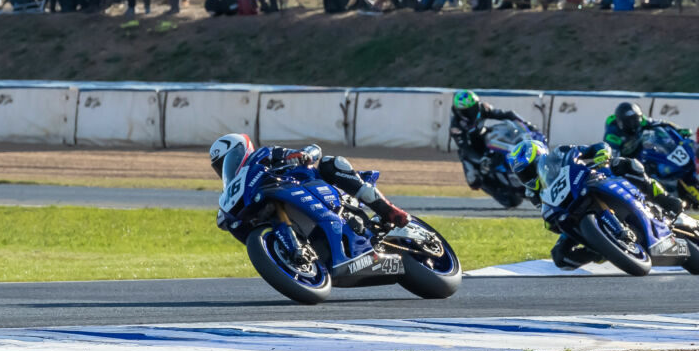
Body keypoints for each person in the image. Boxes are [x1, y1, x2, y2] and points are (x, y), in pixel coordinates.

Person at [505, 140, 683, 269]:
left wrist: (601, 154)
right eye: (522, 175)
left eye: (528, 170)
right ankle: (604, 249)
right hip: (574, 212)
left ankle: (664, 199)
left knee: (627, 164)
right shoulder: (533, 194)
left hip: (592, 182)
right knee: (559, 257)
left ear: (540, 157)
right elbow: (548, 215)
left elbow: (596, 147)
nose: (527, 177)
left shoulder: (560, 153)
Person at [209, 134, 410, 236]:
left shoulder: (266, 155)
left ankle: (389, 210)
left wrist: (302, 155)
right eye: (221, 167)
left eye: (231, 158)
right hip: (283, 203)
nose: (228, 167)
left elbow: (313, 150)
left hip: (314, 186)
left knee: (331, 163)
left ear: (243, 150)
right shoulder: (242, 189)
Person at [449, 90, 538, 160]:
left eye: (474, 107)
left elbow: (507, 114)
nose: (472, 111)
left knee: (498, 131)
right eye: (468, 110)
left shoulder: (482, 108)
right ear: (459, 111)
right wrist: (480, 160)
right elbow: (465, 147)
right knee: (472, 176)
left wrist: (526, 124)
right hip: (472, 146)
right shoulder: (456, 125)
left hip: (483, 135)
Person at [603, 101, 682, 158]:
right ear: (621, 122)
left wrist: (679, 130)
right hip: (625, 161)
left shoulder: (641, 121)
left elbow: (662, 123)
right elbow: (613, 159)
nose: (635, 123)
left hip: (641, 155)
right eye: (630, 121)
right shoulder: (612, 134)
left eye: (636, 119)